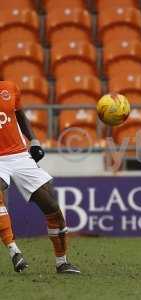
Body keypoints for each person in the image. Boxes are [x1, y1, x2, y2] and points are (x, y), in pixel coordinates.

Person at [0, 80, 80, 274]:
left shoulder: (9, 87)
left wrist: (33, 139)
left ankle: (62, 262)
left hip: (20, 156)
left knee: (52, 206)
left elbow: (19, 115)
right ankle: (14, 251)